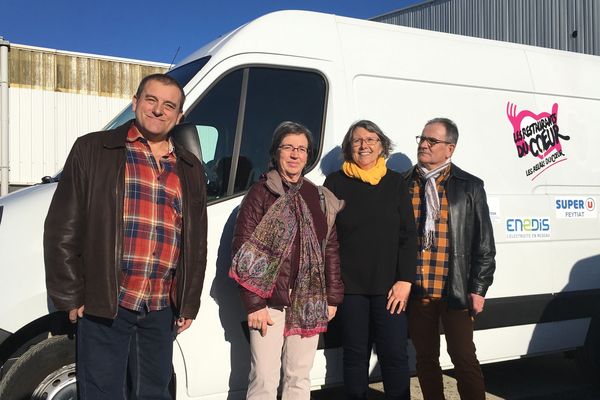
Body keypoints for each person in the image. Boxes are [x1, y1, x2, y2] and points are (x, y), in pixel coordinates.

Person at [44, 73, 208, 399]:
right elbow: (62, 227)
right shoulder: (94, 149)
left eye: (169, 105)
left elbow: (196, 241)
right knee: (102, 394)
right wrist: (69, 293)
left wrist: (188, 301)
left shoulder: (189, 167)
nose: (158, 110)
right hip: (106, 303)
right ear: (135, 103)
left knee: (153, 393)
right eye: (151, 100)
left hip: (161, 309)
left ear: (180, 116)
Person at [229, 121, 344, 400]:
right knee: (264, 378)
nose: (295, 154)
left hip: (309, 299)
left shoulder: (318, 196)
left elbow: (329, 248)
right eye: (288, 147)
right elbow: (243, 249)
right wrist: (254, 304)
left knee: (299, 378)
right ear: (276, 152)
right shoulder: (261, 193)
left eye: (302, 149)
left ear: (308, 155)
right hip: (269, 302)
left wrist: (332, 297)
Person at [403, 117, 496, 400]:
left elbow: (484, 245)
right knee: (425, 361)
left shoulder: (469, 187)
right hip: (418, 291)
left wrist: (478, 289)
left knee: (464, 360)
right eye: (422, 138)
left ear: (450, 149)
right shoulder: (404, 184)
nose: (424, 145)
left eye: (433, 141)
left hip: (455, 292)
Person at [324, 120, 417, 400]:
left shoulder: (395, 183)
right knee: (354, 357)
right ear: (348, 147)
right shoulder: (336, 182)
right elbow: (327, 237)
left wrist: (405, 280)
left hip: (390, 289)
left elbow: (408, 235)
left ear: (381, 145)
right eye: (357, 141)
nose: (364, 145)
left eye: (370, 140)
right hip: (351, 288)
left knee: (394, 356)